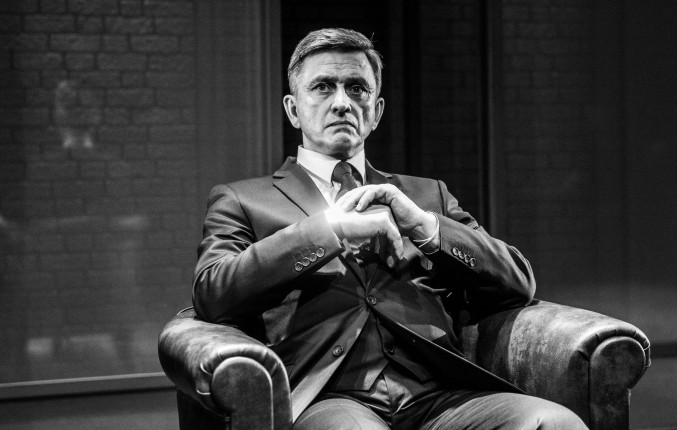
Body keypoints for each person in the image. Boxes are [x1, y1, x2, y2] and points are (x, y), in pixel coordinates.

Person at [193, 28, 587, 430]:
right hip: (332, 399)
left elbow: (519, 281)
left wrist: (426, 227)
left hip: (441, 396)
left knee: (554, 423)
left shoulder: (427, 195)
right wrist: (329, 230)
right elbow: (212, 293)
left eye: (357, 88)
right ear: (293, 109)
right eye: (323, 87)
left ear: (376, 111)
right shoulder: (244, 199)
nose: (342, 102)